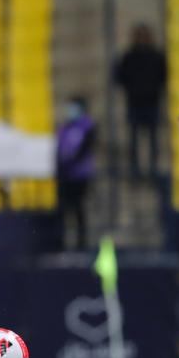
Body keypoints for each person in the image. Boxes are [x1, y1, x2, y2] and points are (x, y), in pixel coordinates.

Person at [114, 23, 167, 180]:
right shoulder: (128, 56)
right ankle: (135, 170)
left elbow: (163, 77)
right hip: (134, 103)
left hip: (152, 103)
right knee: (134, 139)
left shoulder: (157, 56)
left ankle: (153, 169)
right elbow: (119, 77)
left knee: (153, 139)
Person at [55, 95, 97, 250]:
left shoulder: (87, 126)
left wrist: (70, 162)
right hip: (65, 175)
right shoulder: (64, 128)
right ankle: (62, 243)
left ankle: (81, 243)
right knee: (64, 210)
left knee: (79, 209)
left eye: (73, 107)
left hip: (80, 175)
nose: (70, 111)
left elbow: (86, 147)